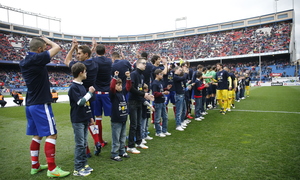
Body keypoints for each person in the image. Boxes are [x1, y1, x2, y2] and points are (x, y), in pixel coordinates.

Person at [19, 36, 70, 178]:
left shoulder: (24, 61)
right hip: (40, 103)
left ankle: (35, 166)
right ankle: (52, 169)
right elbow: (58, 48)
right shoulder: (36, 59)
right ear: (40, 49)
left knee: (37, 135)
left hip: (30, 103)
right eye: (44, 48)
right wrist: (48, 41)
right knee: (52, 133)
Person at [64, 39, 101, 156]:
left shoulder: (80, 66)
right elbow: (88, 56)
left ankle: (87, 150)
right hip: (92, 96)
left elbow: (67, 61)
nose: (77, 55)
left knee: (83, 124)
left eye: (79, 53)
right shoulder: (94, 63)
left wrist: (72, 48)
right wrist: (91, 49)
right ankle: (97, 141)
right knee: (91, 120)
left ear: (85, 55)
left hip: (82, 96)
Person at [68, 62, 95, 176]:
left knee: (84, 143)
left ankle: (84, 165)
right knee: (80, 144)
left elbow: (86, 104)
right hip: (77, 119)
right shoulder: (73, 87)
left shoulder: (81, 86)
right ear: (80, 73)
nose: (86, 73)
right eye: (85, 71)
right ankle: (77, 169)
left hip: (84, 118)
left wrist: (90, 117)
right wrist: (90, 93)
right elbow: (80, 102)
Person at [127, 58, 154, 154]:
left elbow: (140, 89)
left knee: (138, 123)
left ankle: (138, 142)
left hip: (138, 101)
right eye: (143, 63)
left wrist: (147, 95)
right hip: (133, 101)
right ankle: (130, 146)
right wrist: (143, 94)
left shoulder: (141, 75)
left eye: (145, 63)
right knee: (134, 124)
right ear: (137, 64)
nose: (145, 65)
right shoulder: (133, 74)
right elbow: (131, 88)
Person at [91, 39, 112, 148]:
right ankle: (116, 138)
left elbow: (88, 58)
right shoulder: (109, 61)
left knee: (97, 118)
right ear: (105, 51)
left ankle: (99, 141)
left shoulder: (94, 61)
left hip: (96, 93)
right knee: (113, 116)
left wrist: (93, 47)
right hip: (107, 93)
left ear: (96, 52)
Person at [109, 70, 131, 161]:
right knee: (116, 138)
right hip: (116, 119)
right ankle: (114, 153)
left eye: (121, 85)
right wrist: (115, 77)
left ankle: (122, 151)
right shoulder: (113, 94)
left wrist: (128, 77)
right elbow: (111, 88)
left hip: (123, 118)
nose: (120, 87)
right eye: (118, 85)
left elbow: (128, 87)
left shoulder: (122, 93)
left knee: (122, 137)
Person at [152, 69, 171, 137]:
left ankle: (164, 130)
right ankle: (158, 132)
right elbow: (155, 93)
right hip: (158, 102)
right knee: (157, 118)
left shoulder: (160, 82)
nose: (162, 75)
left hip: (162, 102)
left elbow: (161, 90)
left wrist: (166, 89)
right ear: (157, 75)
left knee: (165, 117)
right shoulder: (154, 83)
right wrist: (163, 93)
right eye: (161, 74)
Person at [173, 66, 189, 131]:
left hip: (182, 95)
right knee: (179, 111)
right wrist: (185, 72)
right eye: (179, 70)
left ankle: (181, 122)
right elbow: (184, 77)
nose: (181, 71)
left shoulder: (179, 77)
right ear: (176, 70)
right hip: (179, 95)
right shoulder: (175, 77)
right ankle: (178, 125)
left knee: (183, 110)